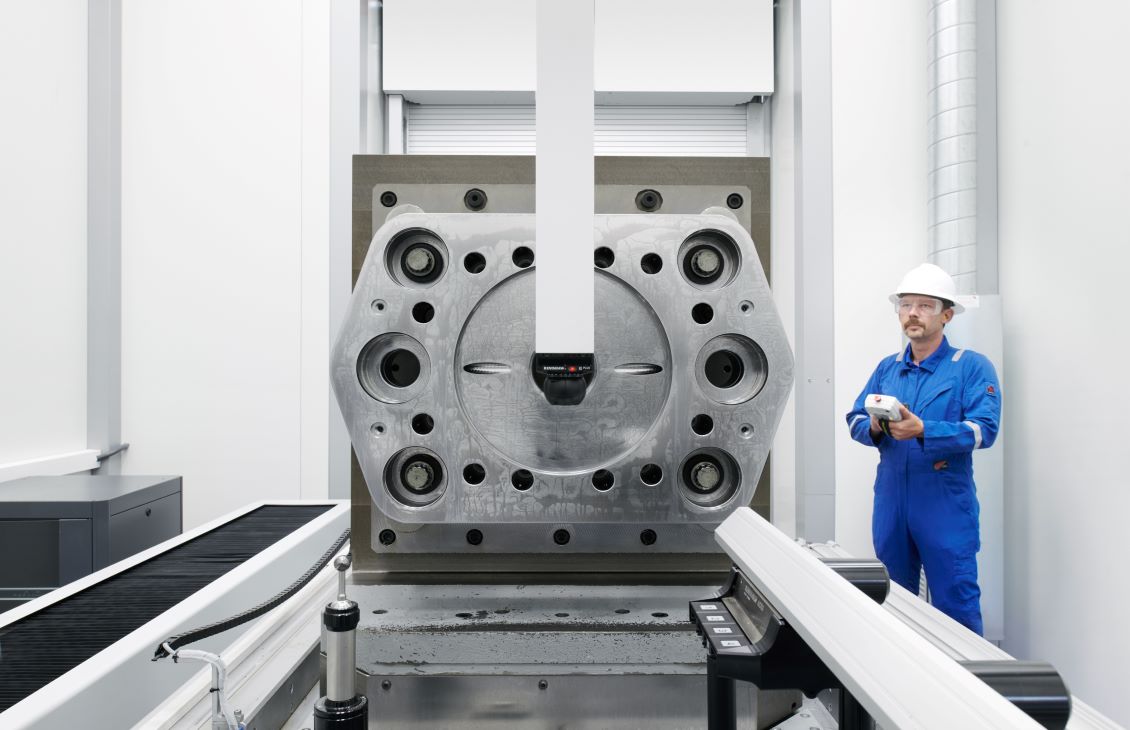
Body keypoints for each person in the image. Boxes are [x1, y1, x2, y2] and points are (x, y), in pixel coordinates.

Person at [845, 263, 1000, 634]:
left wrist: (924, 430)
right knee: (893, 604)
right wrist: (876, 426)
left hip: (944, 505)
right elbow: (854, 419)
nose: (912, 313)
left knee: (955, 604)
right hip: (892, 501)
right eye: (906, 305)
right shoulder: (888, 368)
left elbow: (984, 430)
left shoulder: (971, 367)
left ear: (947, 315)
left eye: (925, 306)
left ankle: (961, 674)